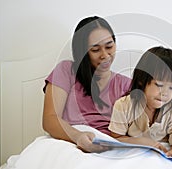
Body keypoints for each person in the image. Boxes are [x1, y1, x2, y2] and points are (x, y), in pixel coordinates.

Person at [42, 16, 131, 153]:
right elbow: (49, 120)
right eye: (95, 50)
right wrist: (78, 137)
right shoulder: (66, 71)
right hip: (70, 142)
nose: (105, 55)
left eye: (109, 46)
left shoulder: (127, 85)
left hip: (108, 146)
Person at [108, 46, 172, 161]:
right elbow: (116, 138)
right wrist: (144, 142)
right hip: (132, 156)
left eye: (171, 88)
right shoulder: (123, 105)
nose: (165, 93)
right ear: (141, 80)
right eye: (159, 85)